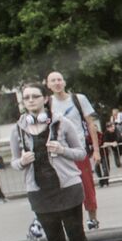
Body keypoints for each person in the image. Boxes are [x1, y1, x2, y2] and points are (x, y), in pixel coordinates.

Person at [11, 83, 94, 241]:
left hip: (67, 189)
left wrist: (62, 150)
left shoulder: (62, 123)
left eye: (35, 96)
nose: (30, 100)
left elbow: (81, 152)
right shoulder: (17, 129)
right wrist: (21, 161)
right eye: (26, 97)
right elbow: (14, 161)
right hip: (40, 193)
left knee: (77, 238)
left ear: (45, 99)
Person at [45, 70, 101, 230]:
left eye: (59, 79)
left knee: (87, 186)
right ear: (48, 85)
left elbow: (91, 124)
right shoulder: (47, 103)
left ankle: (92, 219)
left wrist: (96, 150)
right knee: (61, 188)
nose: (57, 83)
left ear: (64, 82)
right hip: (59, 154)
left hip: (78, 151)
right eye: (53, 80)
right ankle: (70, 223)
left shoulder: (78, 99)